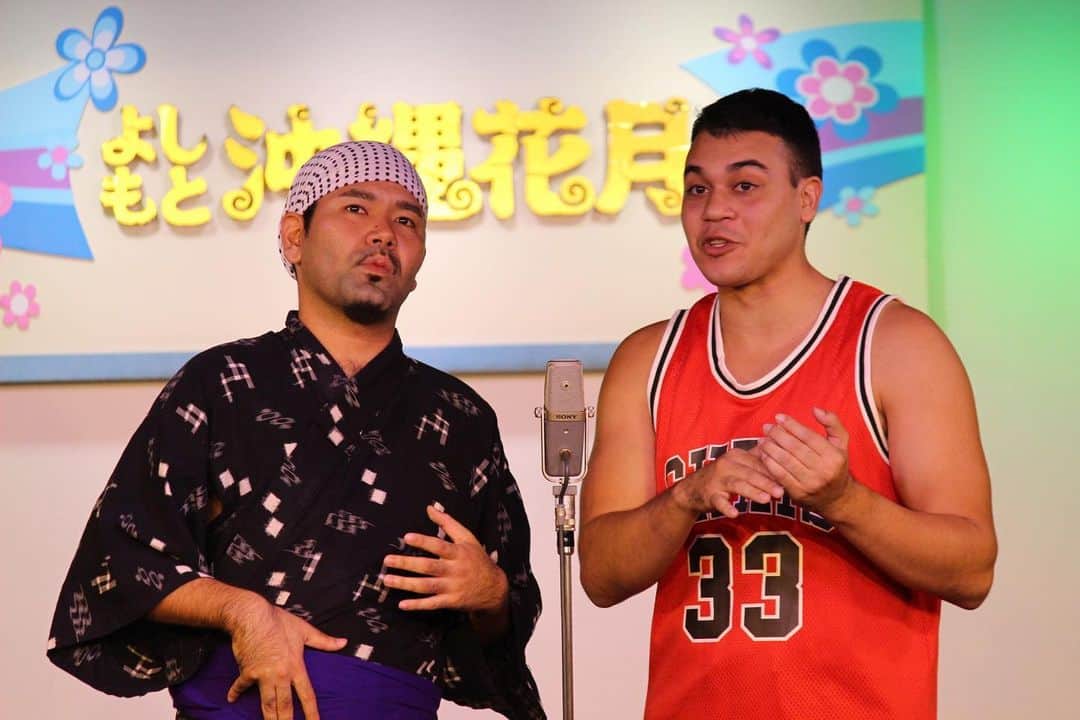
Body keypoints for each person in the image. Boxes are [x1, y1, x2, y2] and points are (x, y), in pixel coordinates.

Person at [47, 141, 545, 720]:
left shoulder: (460, 417)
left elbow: (503, 625)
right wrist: (243, 612)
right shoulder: (221, 383)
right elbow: (120, 559)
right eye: (355, 208)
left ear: (420, 261)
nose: (384, 234)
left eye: (406, 221)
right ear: (293, 238)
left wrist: (491, 596)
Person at [578, 88, 997, 719]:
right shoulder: (648, 360)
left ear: (807, 199)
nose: (715, 210)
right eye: (697, 188)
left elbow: (972, 570)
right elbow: (601, 573)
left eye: (745, 186)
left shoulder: (895, 344)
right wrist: (687, 496)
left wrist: (843, 500)